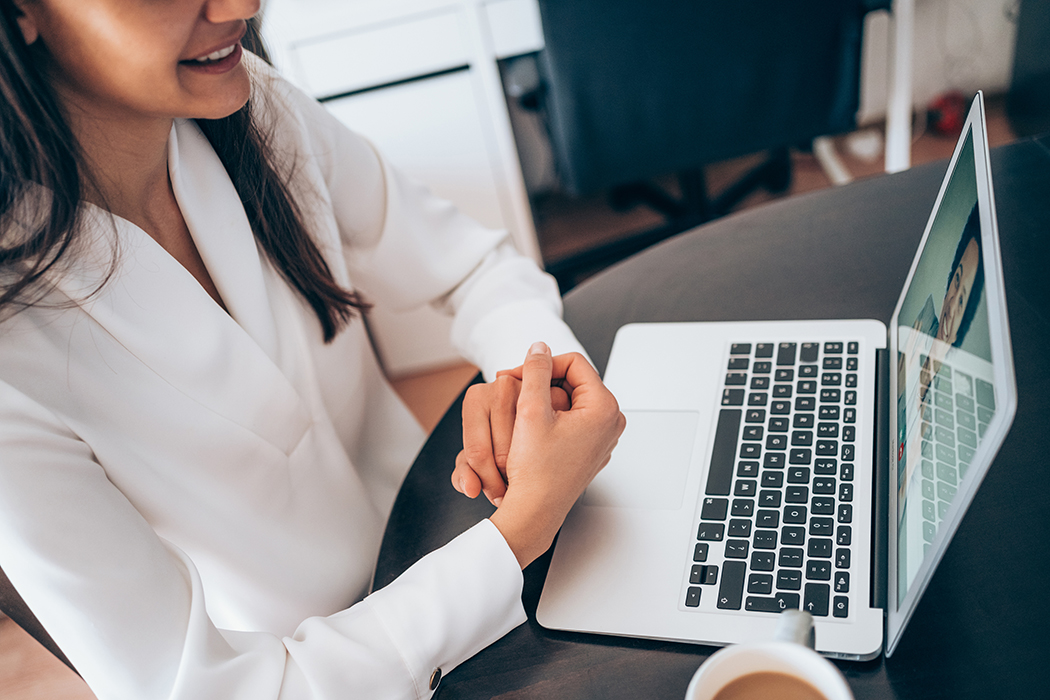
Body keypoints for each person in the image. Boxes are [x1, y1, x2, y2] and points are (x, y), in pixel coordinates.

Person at [0, 2, 625, 699]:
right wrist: (523, 528)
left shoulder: (248, 101)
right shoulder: (11, 359)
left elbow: (474, 267)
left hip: (462, 527)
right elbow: (215, 690)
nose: (242, 6)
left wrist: (531, 389)